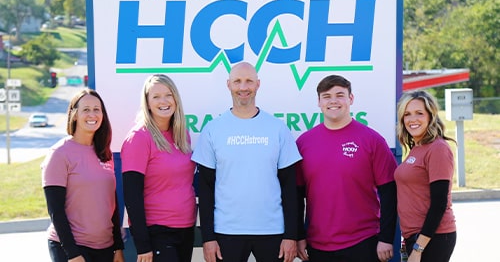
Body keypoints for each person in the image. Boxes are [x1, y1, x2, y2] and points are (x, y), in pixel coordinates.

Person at [192, 62, 302, 262]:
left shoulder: (277, 128)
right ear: (228, 84)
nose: (243, 87)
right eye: (237, 81)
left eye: (249, 81)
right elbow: (205, 189)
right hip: (226, 231)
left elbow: (290, 188)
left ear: (258, 84)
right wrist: (208, 237)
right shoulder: (213, 129)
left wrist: (291, 235)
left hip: (273, 231)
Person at [296, 74, 398, 262]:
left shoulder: (372, 140)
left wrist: (386, 238)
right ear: (318, 102)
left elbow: (389, 193)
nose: (333, 101)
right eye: (326, 96)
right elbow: (295, 196)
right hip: (318, 246)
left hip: (364, 242)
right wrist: (299, 236)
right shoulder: (304, 143)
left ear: (351, 99)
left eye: (340, 95)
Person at [41, 89, 125, 262]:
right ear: (74, 115)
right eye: (86, 109)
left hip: (105, 247)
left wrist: (118, 246)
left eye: (97, 109)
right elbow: (55, 211)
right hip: (71, 248)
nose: (92, 114)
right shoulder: (59, 153)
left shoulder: (104, 153)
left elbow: (112, 204)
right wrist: (72, 254)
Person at [121, 74, 196, 262]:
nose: (163, 101)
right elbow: (132, 195)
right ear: (146, 103)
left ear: (176, 99)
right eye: (156, 97)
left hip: (186, 228)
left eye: (168, 95)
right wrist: (143, 245)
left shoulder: (182, 134)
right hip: (157, 231)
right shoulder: (139, 137)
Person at [394, 90, 457, 262]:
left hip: (433, 238)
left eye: (419, 113)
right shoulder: (418, 147)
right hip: (416, 237)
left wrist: (418, 247)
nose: (412, 119)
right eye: (407, 114)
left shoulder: (438, 148)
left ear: (431, 116)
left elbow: (439, 203)